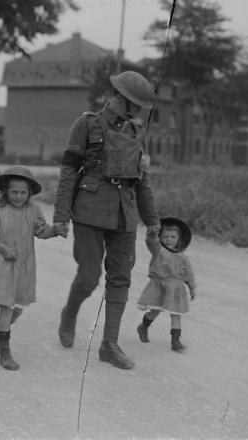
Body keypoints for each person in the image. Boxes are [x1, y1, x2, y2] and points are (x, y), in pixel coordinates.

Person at [53, 70, 161, 370]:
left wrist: (152, 219)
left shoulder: (136, 132)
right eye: (135, 104)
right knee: (89, 276)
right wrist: (61, 216)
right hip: (89, 210)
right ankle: (70, 313)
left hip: (124, 214)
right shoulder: (86, 124)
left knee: (121, 279)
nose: (138, 111)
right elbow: (68, 172)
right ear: (120, 99)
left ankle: (109, 345)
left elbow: (142, 180)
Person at [0, 166, 61, 371]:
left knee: (18, 309)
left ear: (30, 193)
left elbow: (41, 231)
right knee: (7, 307)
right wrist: (2, 248)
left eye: (23, 192)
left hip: (23, 266)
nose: (19, 196)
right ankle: (5, 352)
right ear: (5, 190)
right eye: (14, 192)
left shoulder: (32, 210)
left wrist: (55, 230)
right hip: (2, 265)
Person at [136, 217, 196, 353]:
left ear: (179, 239)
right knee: (155, 311)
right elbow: (151, 243)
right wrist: (152, 234)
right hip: (159, 287)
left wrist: (192, 288)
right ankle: (143, 327)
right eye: (165, 237)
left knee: (176, 314)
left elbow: (189, 274)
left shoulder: (183, 258)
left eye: (173, 237)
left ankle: (175, 341)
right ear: (161, 238)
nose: (169, 240)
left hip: (176, 289)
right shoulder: (158, 251)